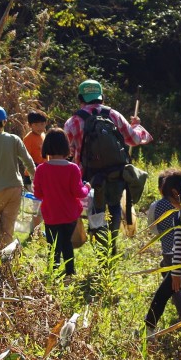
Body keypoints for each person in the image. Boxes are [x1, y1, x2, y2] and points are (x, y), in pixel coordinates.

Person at [64, 79, 152, 254]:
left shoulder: (72, 122)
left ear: (80, 98)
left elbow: (68, 151)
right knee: (114, 206)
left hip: (89, 177)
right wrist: (137, 126)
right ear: (101, 97)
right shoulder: (114, 115)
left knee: (96, 209)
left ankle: (100, 246)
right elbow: (134, 139)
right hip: (116, 174)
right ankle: (112, 245)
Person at [33, 128, 91, 278]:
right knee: (67, 243)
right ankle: (70, 272)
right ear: (66, 147)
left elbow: (38, 194)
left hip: (51, 214)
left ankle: (52, 271)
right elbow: (79, 192)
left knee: (53, 244)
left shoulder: (41, 169)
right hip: (69, 215)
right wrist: (87, 187)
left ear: (46, 147)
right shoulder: (73, 169)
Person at [144, 170, 181, 334]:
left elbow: (180, 245)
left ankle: (149, 330)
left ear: (175, 193)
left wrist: (175, 272)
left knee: (160, 297)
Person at [0, 104, 37, 248]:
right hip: (14, 189)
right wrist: (35, 179)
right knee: (7, 230)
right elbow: (28, 161)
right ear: (4, 122)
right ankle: (3, 264)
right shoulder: (14, 139)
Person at [22, 109, 47, 189]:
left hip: (44, 174)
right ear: (30, 125)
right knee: (36, 200)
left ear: (45, 124)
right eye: (36, 124)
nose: (39, 127)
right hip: (32, 176)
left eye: (42, 124)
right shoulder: (28, 139)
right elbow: (26, 159)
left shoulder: (43, 135)